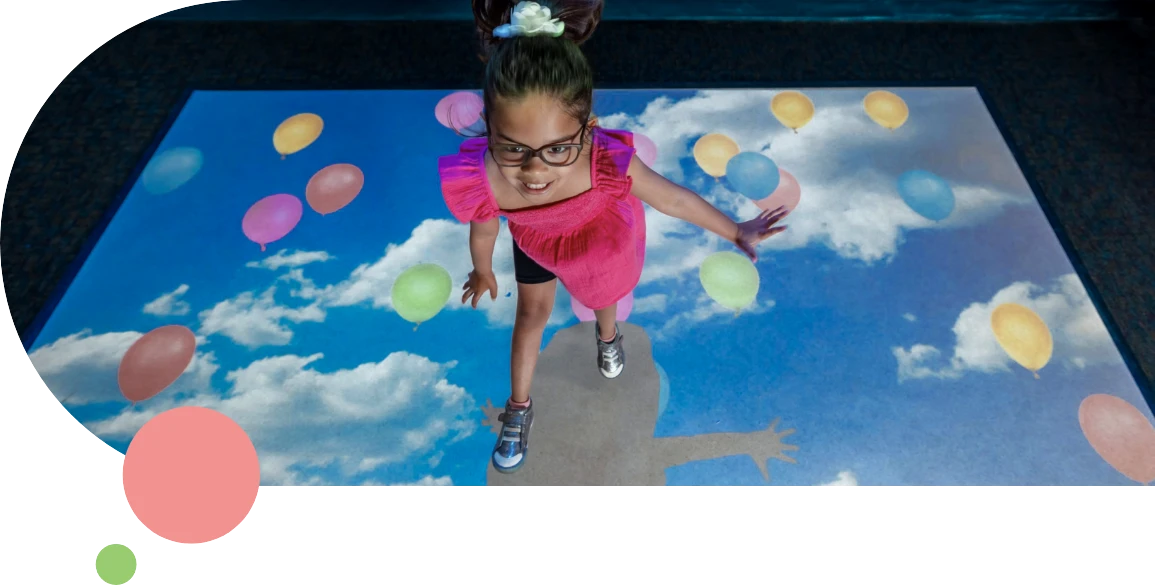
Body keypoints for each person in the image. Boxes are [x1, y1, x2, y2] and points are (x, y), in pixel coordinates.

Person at [439, 0, 789, 473]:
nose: (534, 169)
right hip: (536, 242)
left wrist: (735, 230)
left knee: (604, 295)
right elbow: (484, 228)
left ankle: (609, 336)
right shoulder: (483, 176)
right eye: (513, 148)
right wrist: (482, 269)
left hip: (598, 240)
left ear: (588, 128)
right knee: (529, 317)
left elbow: (673, 199)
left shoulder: (604, 162)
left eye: (557, 148)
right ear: (490, 128)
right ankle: (519, 409)